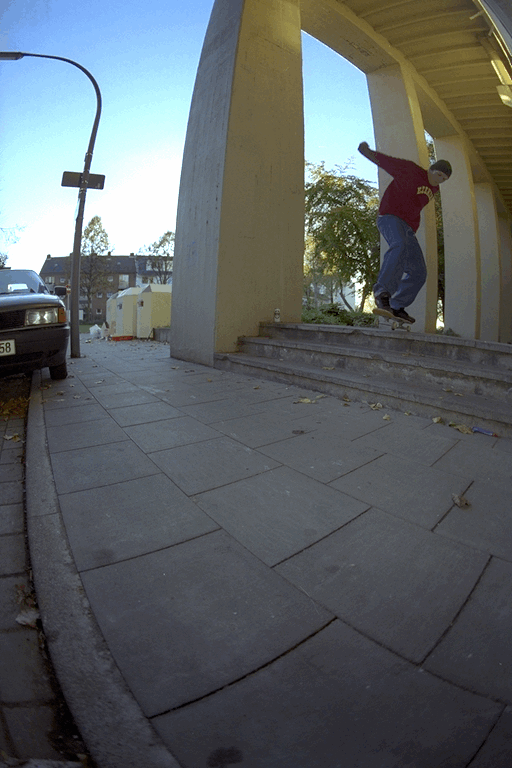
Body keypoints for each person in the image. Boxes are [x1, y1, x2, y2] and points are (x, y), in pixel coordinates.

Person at [358, 141, 452, 324]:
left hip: (408, 229)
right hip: (389, 218)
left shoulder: (434, 189)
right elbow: (387, 162)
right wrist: (366, 152)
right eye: (438, 175)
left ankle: (396, 305)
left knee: (419, 272)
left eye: (443, 179)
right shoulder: (410, 170)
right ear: (431, 169)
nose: (439, 180)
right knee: (398, 244)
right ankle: (382, 292)